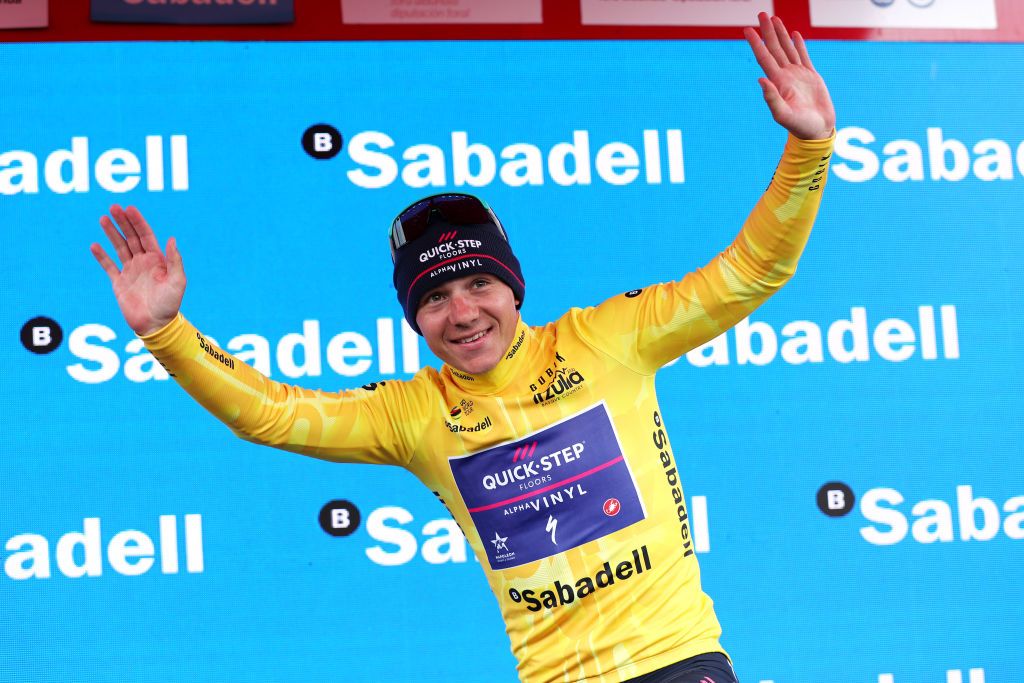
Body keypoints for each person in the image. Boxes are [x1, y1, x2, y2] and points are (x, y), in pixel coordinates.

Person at [91, 13, 835, 683]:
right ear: (414, 319)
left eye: (479, 283)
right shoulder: (413, 414)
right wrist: (166, 332)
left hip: (679, 662)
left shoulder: (607, 337)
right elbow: (273, 414)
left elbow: (750, 272)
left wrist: (808, 147)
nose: (463, 311)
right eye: (434, 297)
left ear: (514, 289)